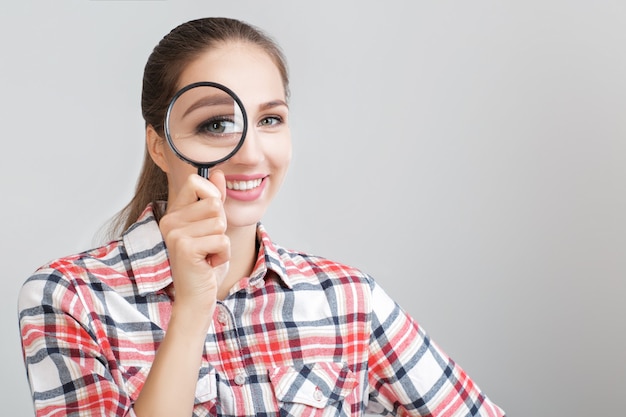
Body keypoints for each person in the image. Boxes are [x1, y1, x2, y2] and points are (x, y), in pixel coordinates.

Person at [18, 17, 505, 417]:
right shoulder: (69, 299)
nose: (251, 154)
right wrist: (191, 311)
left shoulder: (347, 298)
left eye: (270, 119)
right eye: (216, 124)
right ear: (159, 146)